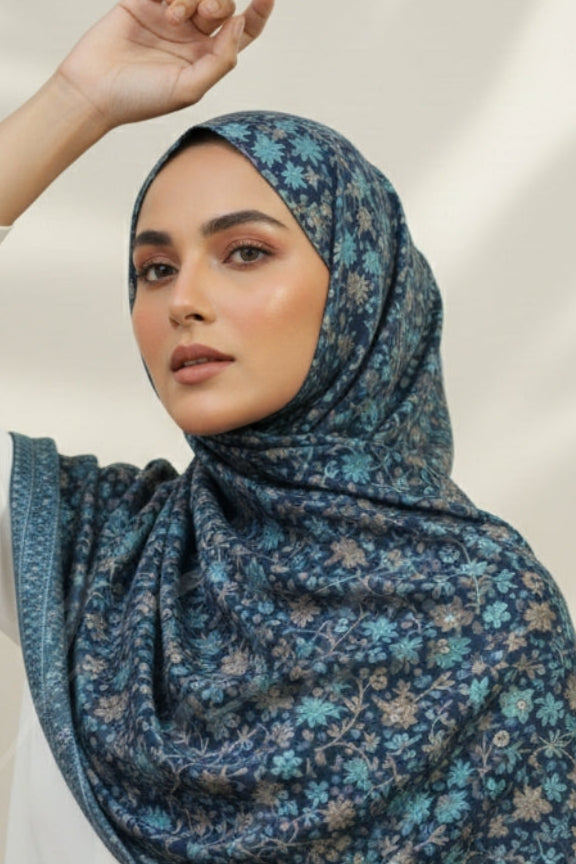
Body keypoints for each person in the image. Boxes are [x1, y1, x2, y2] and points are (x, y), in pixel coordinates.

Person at [1, 1, 576, 862]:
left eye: (245, 252)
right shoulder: (88, 553)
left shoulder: (492, 616)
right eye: (154, 268)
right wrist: (77, 99)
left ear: (359, 289)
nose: (182, 299)